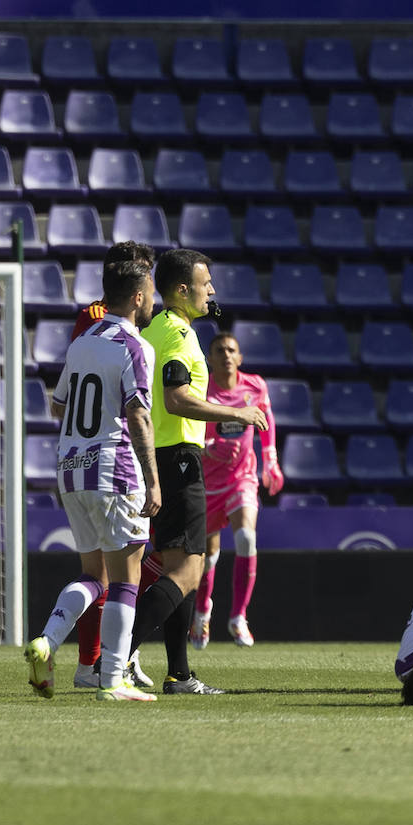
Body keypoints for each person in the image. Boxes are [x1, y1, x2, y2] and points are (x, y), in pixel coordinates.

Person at [128, 249, 267, 695]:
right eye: (206, 284)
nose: (212, 291)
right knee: (191, 570)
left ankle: (179, 674)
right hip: (178, 457)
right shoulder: (178, 336)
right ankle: (114, 656)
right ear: (182, 290)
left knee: (178, 567)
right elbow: (175, 397)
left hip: (159, 454)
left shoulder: (153, 328)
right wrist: (236, 412)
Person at [23, 260, 162, 702]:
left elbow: (58, 406)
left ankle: (47, 640)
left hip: (70, 468)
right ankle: (112, 680)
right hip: (115, 468)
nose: (154, 299)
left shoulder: (83, 340)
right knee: (126, 577)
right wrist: (153, 481)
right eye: (152, 291)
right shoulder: (135, 346)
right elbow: (139, 414)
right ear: (138, 296)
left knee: (93, 575)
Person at [68, 240, 158, 691]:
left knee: (103, 573)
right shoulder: (105, 326)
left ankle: (106, 662)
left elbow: (61, 399)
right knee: (117, 574)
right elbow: (130, 407)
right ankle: (104, 668)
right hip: (117, 459)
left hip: (79, 463)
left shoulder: (88, 334)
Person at [190, 333, 283, 650]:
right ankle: (203, 610)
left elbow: (266, 419)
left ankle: (238, 616)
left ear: (240, 358)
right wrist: (209, 448)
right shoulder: (201, 389)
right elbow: (187, 431)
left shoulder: (255, 385)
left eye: (231, 350)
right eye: (220, 351)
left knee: (246, 537)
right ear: (210, 359)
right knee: (208, 556)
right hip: (207, 484)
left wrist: (270, 461)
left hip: (241, 478)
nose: (227, 355)